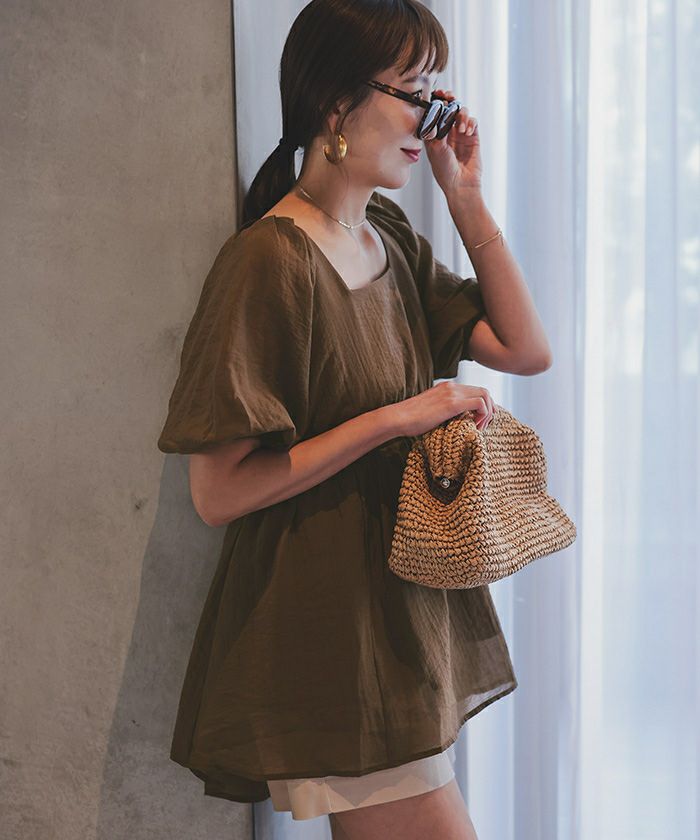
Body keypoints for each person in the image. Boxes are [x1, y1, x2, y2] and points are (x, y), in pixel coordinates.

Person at [156, 0, 552, 837]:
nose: (433, 117)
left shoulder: (386, 237)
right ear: (337, 104)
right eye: (414, 91)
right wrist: (398, 418)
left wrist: (465, 196)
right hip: (330, 635)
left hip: (396, 621)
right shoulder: (269, 261)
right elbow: (219, 493)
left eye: (437, 93)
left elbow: (526, 348)